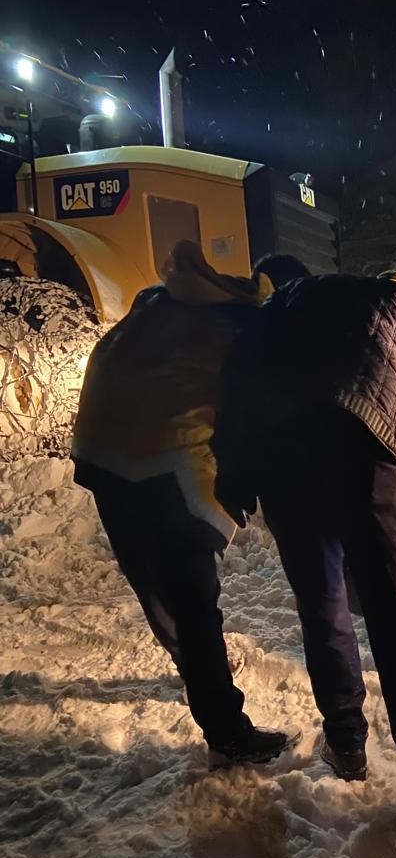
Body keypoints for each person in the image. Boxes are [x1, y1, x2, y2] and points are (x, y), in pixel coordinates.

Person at [212, 269, 396, 836]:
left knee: (323, 608)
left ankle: (346, 743)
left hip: (280, 461)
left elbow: (235, 376)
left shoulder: (296, 301)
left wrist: (234, 472)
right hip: (361, 452)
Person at [71, 241, 299, 770]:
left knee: (157, 584)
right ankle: (227, 730)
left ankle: (192, 664)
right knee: (195, 604)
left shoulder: (161, 302)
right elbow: (259, 418)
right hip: (167, 464)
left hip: (102, 453)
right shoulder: (251, 326)